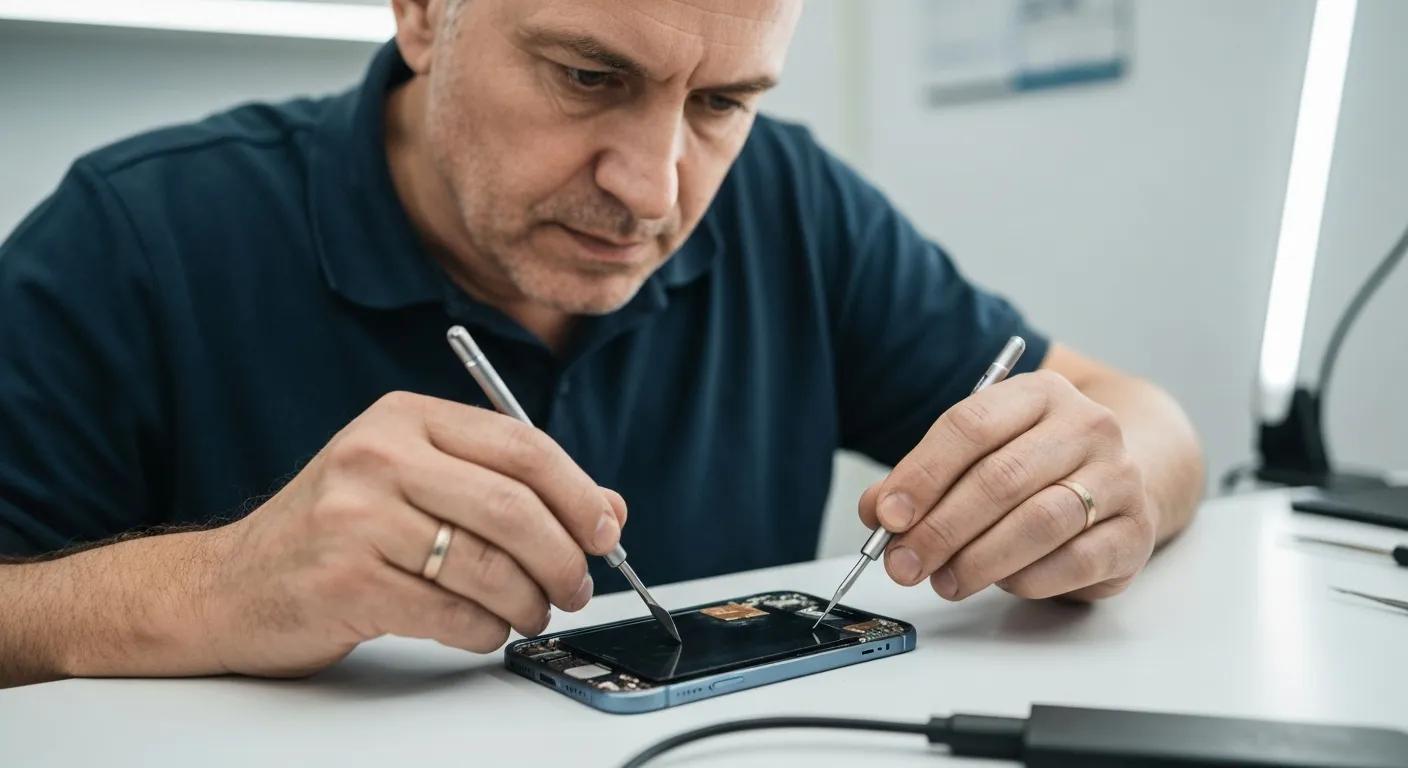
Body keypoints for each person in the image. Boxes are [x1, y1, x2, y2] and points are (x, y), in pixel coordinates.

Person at [0, 0, 1203, 688]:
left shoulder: (790, 201)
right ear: (424, 13)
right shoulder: (134, 236)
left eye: (723, 101)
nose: (652, 187)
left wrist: (1106, 483)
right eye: (587, 75)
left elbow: (1133, 415)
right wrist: (215, 585)